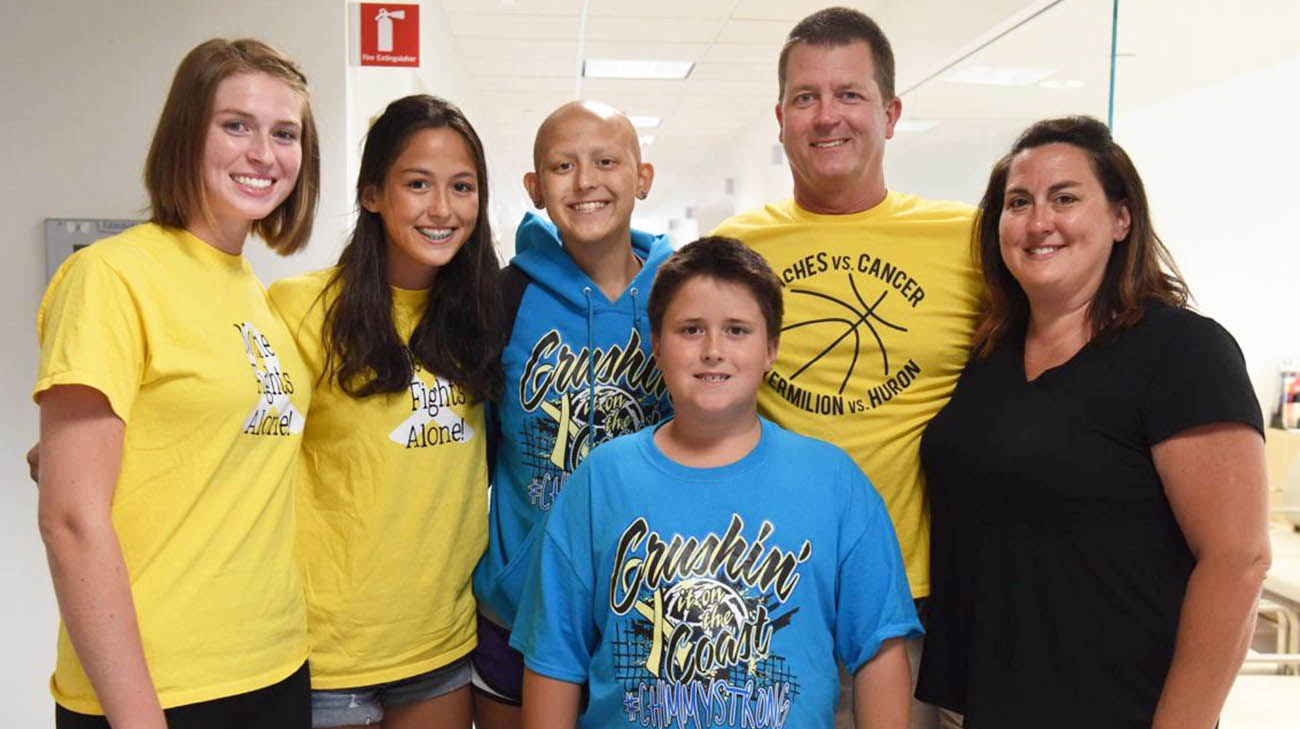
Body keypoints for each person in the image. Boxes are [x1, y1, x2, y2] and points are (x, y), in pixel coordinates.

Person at [916, 116, 1269, 729]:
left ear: (1122, 218)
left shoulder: (1182, 351)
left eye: (1066, 198)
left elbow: (1237, 561)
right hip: (980, 704)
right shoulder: (989, 354)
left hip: (1117, 708)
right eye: (1017, 202)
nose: (1038, 221)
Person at [511, 236, 922, 729]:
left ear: (771, 349)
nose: (713, 351)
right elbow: (555, 659)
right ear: (657, 347)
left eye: (737, 330)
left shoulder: (834, 482)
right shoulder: (601, 480)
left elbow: (878, 650)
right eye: (690, 330)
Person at [34, 38, 319, 729]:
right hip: (154, 689)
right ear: (186, 132)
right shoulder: (111, 276)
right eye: (236, 125)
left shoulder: (258, 295)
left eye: (285, 134)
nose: (264, 153)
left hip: (275, 668)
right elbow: (70, 520)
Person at [710, 8, 983, 725]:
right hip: (767, 594)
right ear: (779, 117)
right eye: (806, 97)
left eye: (850, 95)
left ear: (891, 113)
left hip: (915, 603)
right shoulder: (732, 250)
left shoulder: (969, 242)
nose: (827, 116)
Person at [267, 95, 500, 729]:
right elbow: (233, 428)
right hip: (326, 658)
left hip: (441, 648)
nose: (443, 209)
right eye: (417, 184)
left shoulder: (483, 318)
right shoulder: (301, 309)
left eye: (462, 187)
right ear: (372, 193)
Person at [470, 100, 675, 728]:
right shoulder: (502, 298)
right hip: (519, 610)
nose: (586, 181)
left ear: (643, 177)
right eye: (563, 165)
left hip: (651, 618)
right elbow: (479, 446)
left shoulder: (682, 295)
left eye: (606, 161)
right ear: (535, 189)